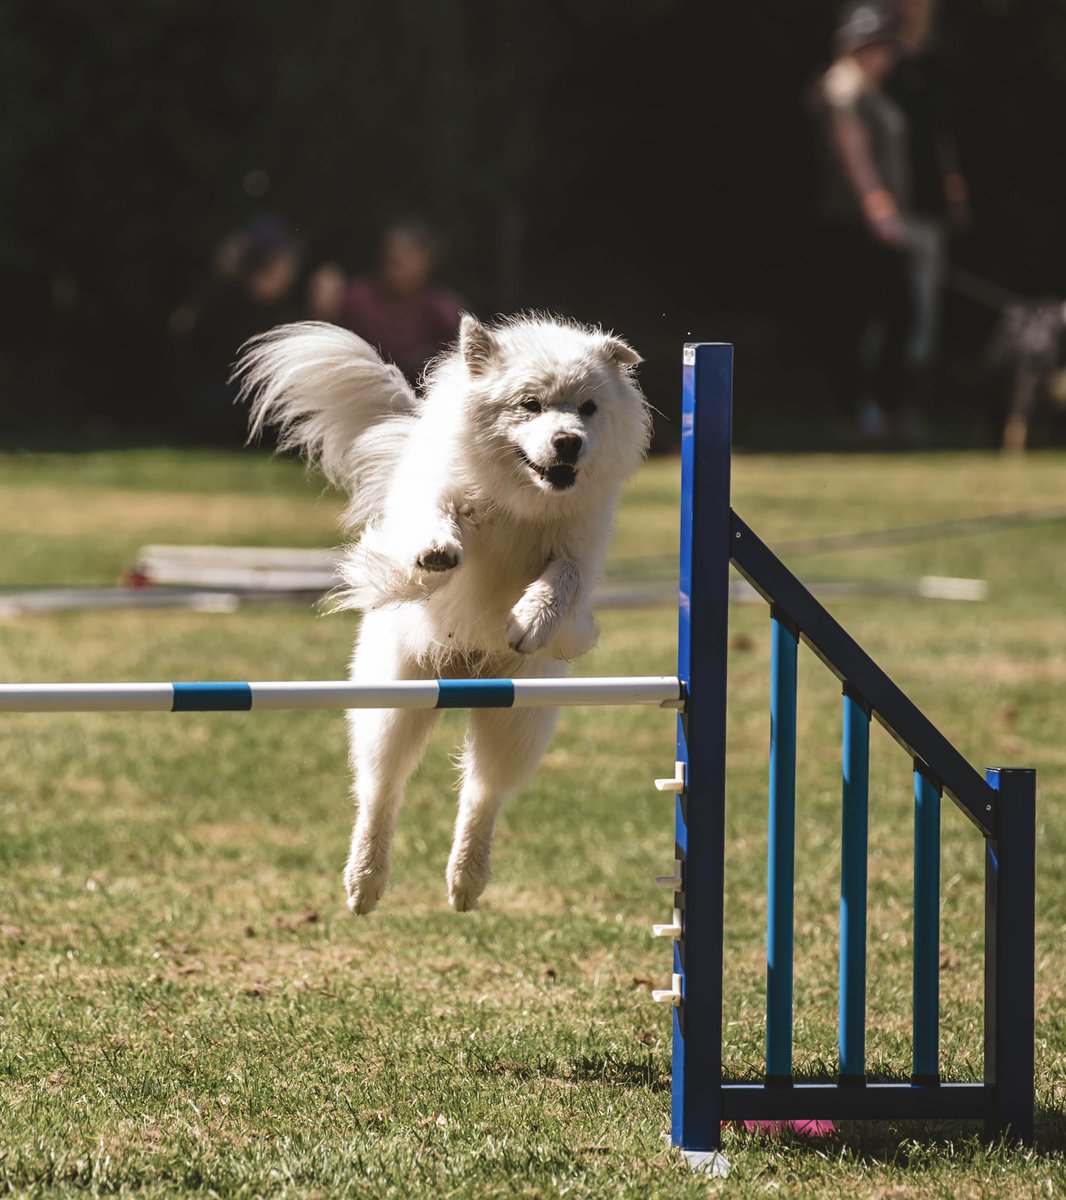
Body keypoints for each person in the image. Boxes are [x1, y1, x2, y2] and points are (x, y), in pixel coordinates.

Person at [812, 1, 914, 441]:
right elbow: (852, 151)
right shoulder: (845, 87)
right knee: (861, 319)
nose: (887, 56)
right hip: (856, 226)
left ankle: (883, 411)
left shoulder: (868, 88)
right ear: (857, 47)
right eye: (879, 46)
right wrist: (879, 208)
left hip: (871, 224)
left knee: (892, 315)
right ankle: (854, 415)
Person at [884, 0, 970, 430]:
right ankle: (873, 404)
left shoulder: (934, 63)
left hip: (927, 209)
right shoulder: (876, 54)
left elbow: (941, 133)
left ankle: (912, 408)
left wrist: (954, 188)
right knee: (886, 312)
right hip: (888, 211)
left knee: (924, 315)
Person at [171, 214, 305, 440]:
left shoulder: (287, 307)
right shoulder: (221, 303)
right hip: (224, 405)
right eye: (285, 260)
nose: (292, 269)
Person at [310, 219, 464, 384]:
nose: (396, 259)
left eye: (407, 252)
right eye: (391, 251)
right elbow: (326, 343)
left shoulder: (442, 310)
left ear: (426, 260)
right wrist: (323, 311)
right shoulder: (356, 299)